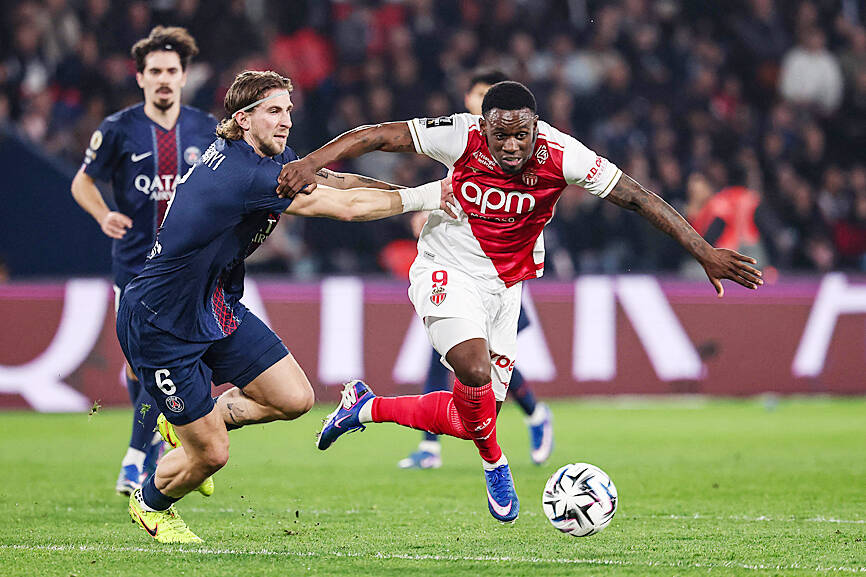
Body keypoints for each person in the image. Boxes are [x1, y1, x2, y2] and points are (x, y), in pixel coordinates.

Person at [277, 81, 763, 524]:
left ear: (536, 127)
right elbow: (378, 135)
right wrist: (311, 163)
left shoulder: (563, 154)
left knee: (470, 418)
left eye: (521, 135)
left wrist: (704, 251)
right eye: (500, 136)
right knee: (473, 369)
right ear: (483, 126)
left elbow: (636, 197)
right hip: (447, 268)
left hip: (507, 288)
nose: (511, 146)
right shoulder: (459, 135)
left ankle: (365, 407)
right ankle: (496, 462)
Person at [119, 69, 449, 543]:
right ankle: (151, 503)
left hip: (214, 304)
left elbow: (339, 183)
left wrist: (415, 201)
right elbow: (345, 207)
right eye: (274, 111)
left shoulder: (270, 159)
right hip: (160, 322)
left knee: (294, 399)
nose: (286, 120)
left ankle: (190, 422)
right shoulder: (243, 174)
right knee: (211, 454)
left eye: (288, 110)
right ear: (243, 119)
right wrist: (431, 196)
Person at [70, 26, 218, 497]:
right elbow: (82, 182)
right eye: (154, 71)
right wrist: (103, 214)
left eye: (171, 70)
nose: (163, 79)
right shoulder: (118, 129)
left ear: (184, 76)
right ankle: (154, 449)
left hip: (190, 270)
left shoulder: (206, 129)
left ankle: (136, 460)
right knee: (141, 369)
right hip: (135, 266)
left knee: (165, 365)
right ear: (140, 77)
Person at [399, 69, 553, 471]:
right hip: (456, 266)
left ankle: (534, 413)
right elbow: (453, 193)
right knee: (456, 356)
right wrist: (427, 209)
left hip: (502, 271)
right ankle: (431, 445)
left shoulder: (522, 150)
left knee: (483, 360)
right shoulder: (460, 140)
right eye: (478, 95)